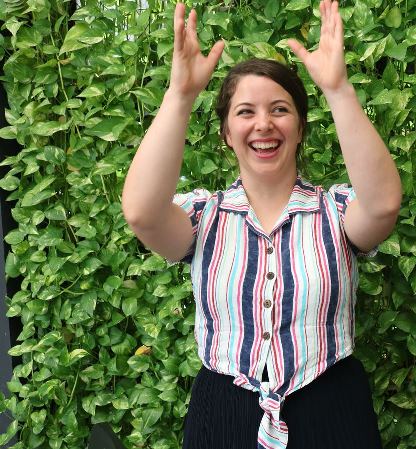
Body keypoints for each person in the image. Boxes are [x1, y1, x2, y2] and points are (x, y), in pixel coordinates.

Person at [121, 1, 401, 448]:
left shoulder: (337, 212)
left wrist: (337, 88)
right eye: (245, 112)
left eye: (280, 110)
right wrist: (180, 95)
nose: (264, 124)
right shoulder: (203, 218)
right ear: (226, 133)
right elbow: (141, 212)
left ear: (301, 127)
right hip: (224, 411)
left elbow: (384, 205)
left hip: (332, 406)